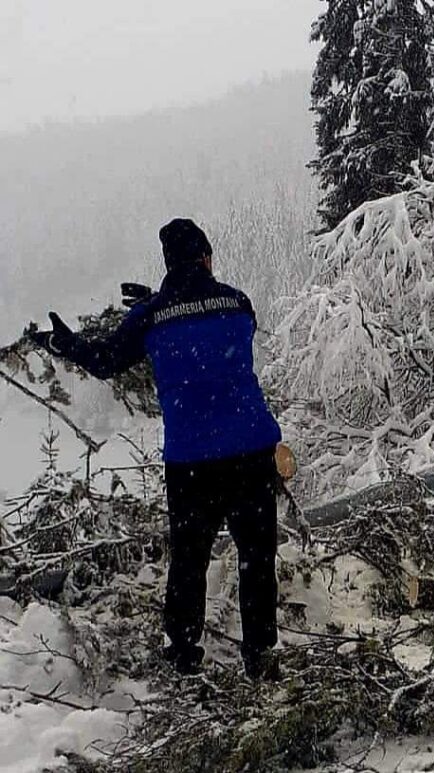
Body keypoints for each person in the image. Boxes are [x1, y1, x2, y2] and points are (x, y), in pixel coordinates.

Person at [31, 218, 283, 679]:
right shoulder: (238, 303)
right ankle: (261, 659)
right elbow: (215, 339)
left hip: (192, 461)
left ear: (169, 262)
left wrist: (68, 344)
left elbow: (107, 361)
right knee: (256, 557)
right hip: (252, 449)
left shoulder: (150, 317)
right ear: (206, 257)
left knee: (190, 559)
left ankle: (184, 655)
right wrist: (164, 305)